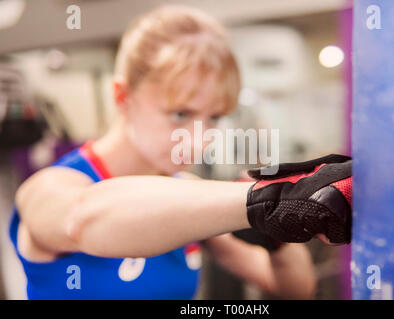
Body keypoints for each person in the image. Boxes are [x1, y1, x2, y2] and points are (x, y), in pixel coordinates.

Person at [9, 5, 352, 300]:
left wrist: (278, 233)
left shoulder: (184, 189)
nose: (199, 139)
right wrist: (263, 199)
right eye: (180, 114)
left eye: (213, 116)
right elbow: (82, 219)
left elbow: (295, 289)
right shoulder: (49, 188)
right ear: (122, 97)